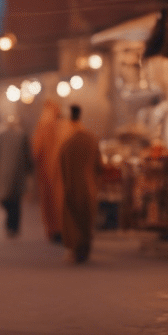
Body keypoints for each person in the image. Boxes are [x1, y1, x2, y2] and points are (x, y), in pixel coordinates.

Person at [58, 105, 103, 263]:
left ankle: (76, 250)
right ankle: (85, 249)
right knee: (86, 219)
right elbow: (99, 166)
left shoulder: (66, 143)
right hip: (89, 187)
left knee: (73, 220)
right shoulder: (91, 140)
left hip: (71, 186)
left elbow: (61, 167)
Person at [0, 115, 33, 237]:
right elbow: (28, 157)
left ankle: (11, 226)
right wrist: (29, 170)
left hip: (4, 174)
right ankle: (13, 225)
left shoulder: (6, 136)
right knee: (14, 201)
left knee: (8, 199)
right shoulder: (21, 135)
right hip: (16, 174)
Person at [31, 100, 73, 243]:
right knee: (62, 199)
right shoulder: (66, 126)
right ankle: (63, 229)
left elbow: (36, 151)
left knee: (49, 202)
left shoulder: (42, 124)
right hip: (62, 170)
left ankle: (53, 230)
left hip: (46, 172)